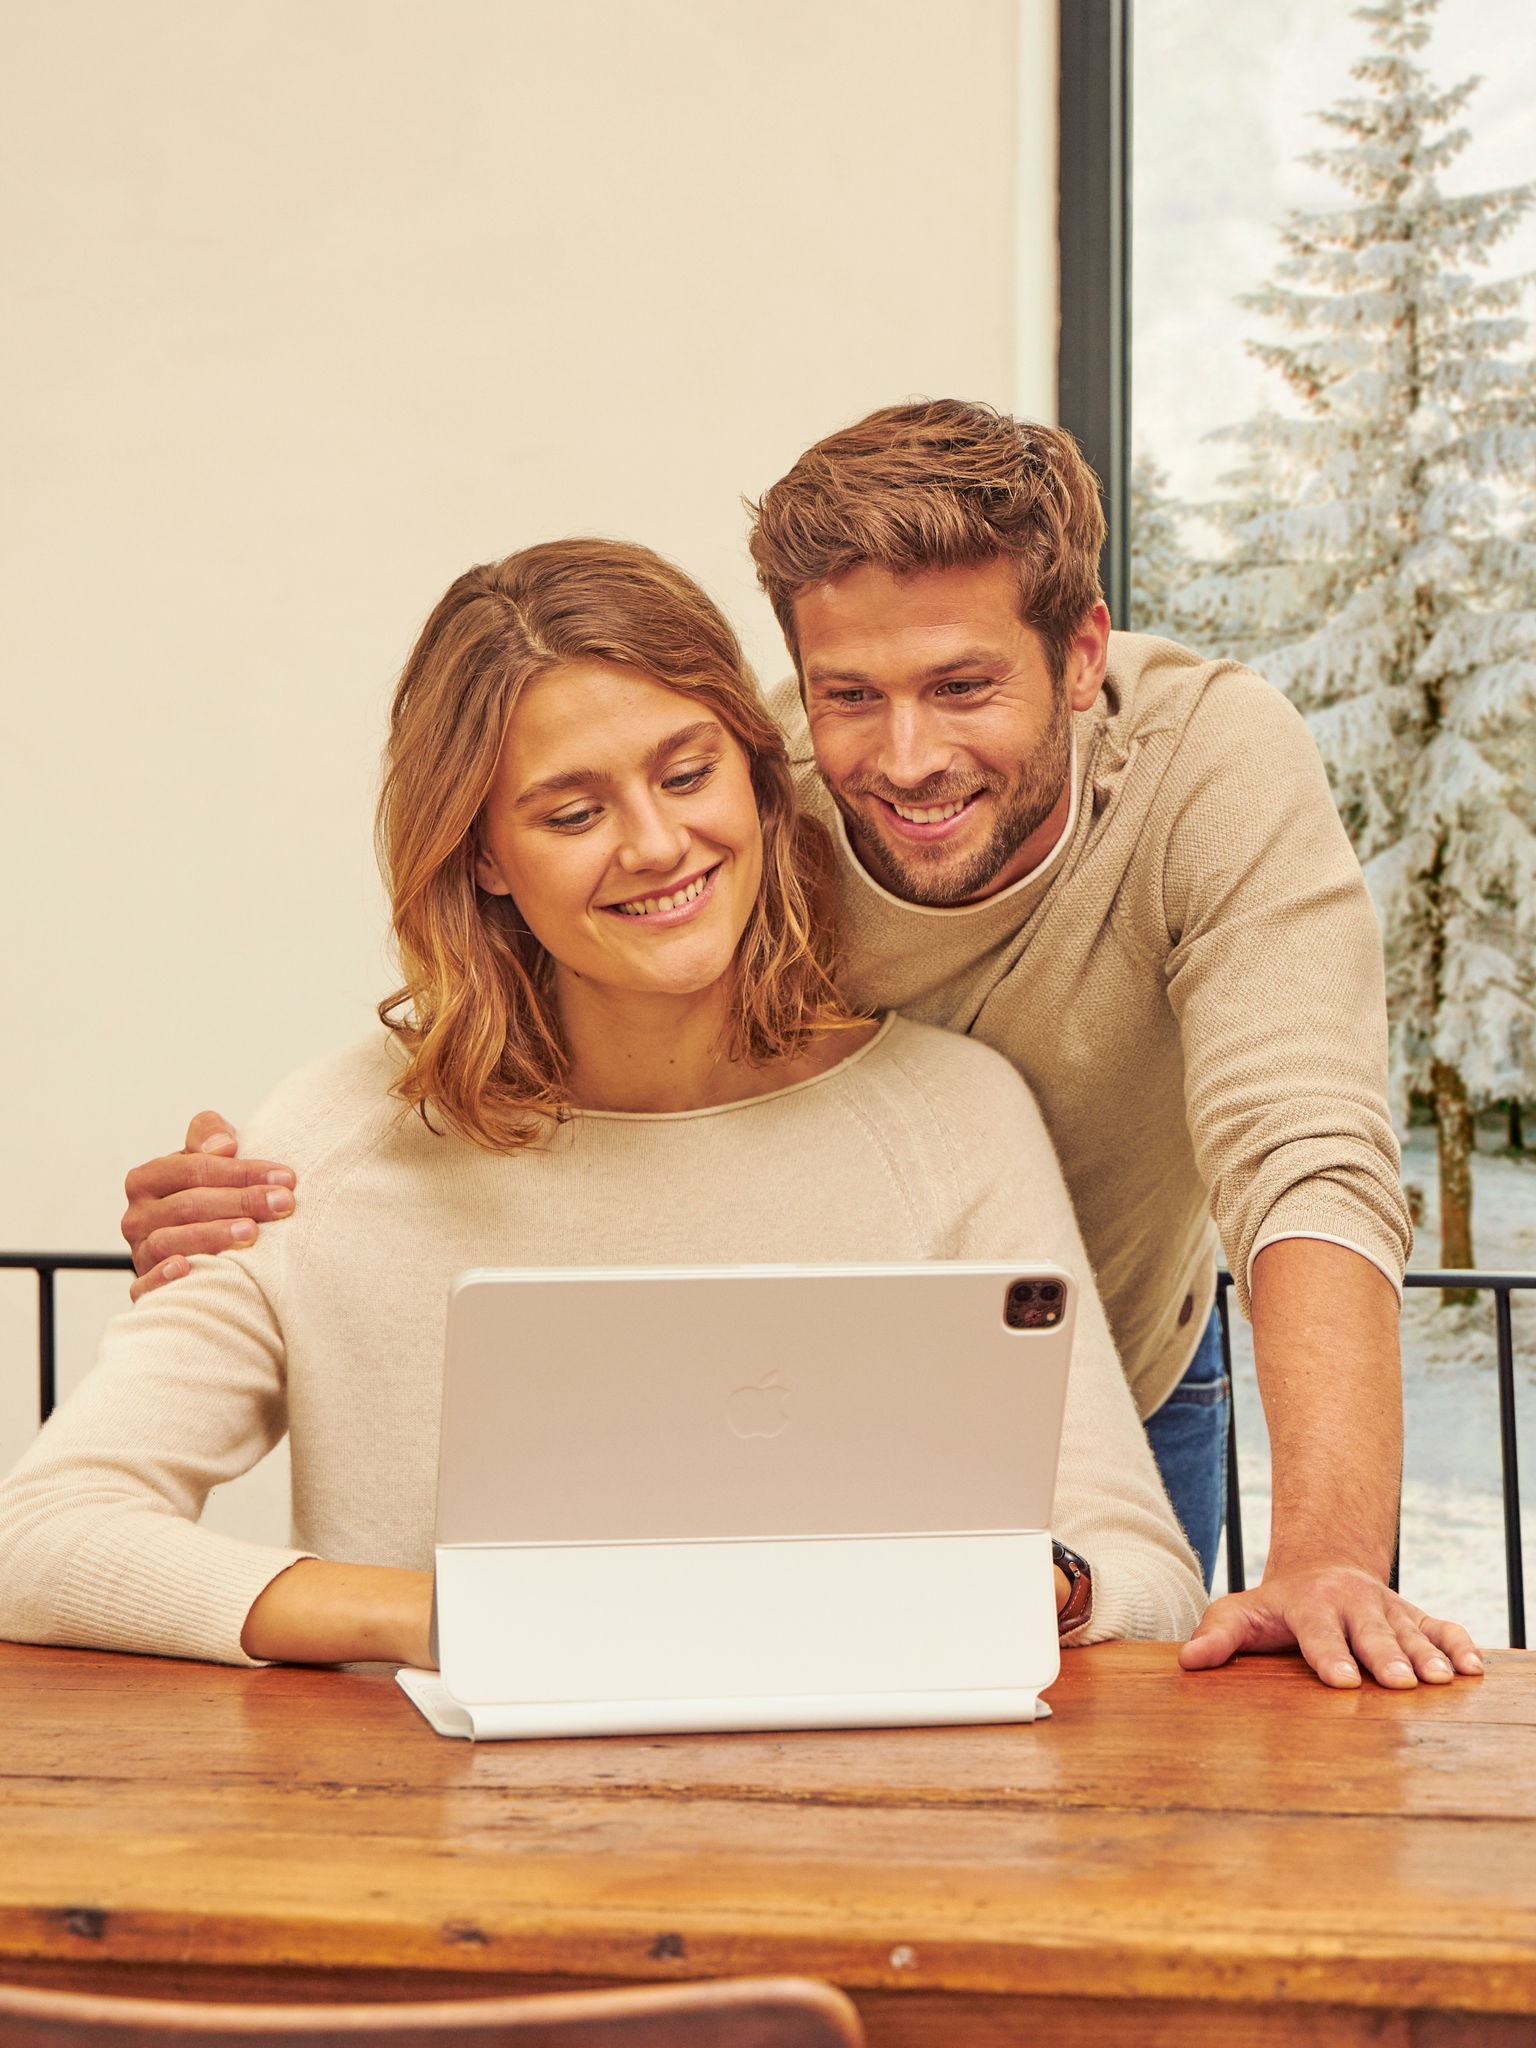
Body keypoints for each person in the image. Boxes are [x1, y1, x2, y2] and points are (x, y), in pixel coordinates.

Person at [118, 405, 1482, 1692]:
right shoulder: (733, 795)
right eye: (849, 695)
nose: (907, 757)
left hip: (1110, 1360)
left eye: (963, 684)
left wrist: (1325, 1556)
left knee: (1106, 1744)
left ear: (1081, 656)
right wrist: (296, 1185)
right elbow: (537, 976)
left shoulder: (1207, 770)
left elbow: (1304, 1146)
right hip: (775, 1406)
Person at [0, 538, 1204, 1669]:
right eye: (572, 813)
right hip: (434, 1811)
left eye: (688, 774)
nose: (656, 843)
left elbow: (1145, 1574)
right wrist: (458, 1618)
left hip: (862, 1795)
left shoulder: (952, 1117)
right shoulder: (324, 1146)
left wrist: (1010, 1587)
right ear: (482, 853)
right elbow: (40, 1537)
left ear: (758, 780)